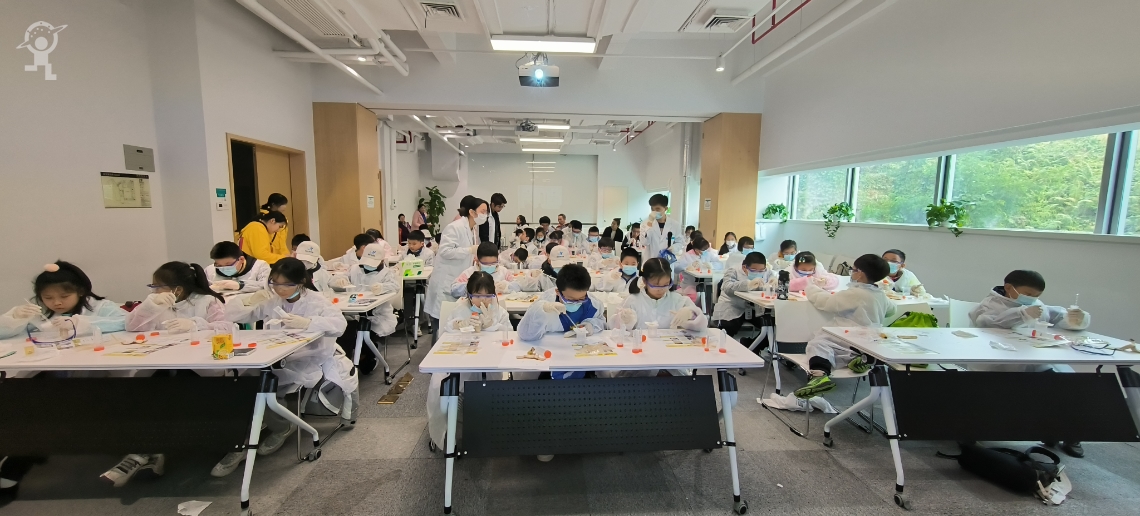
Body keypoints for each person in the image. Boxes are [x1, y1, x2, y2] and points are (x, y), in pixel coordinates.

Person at [214, 258, 354, 477]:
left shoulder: (315, 301)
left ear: (300, 282)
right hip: (271, 355)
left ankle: (280, 426)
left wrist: (309, 323)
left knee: (261, 388)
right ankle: (241, 441)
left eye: (285, 285)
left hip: (303, 359)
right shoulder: (272, 299)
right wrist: (249, 300)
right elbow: (233, 316)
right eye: (274, 283)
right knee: (239, 385)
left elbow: (339, 325)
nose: (279, 289)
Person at [109, 262, 229, 487]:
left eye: (157, 286)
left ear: (178, 289)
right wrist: (149, 307)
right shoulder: (155, 302)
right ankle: (150, 451)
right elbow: (132, 326)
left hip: (198, 368)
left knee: (171, 397)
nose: (154, 291)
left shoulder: (207, 301)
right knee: (146, 394)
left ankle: (149, 451)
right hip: (163, 363)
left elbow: (226, 328)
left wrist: (195, 324)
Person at [968, 269, 1091, 458]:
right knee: (1007, 391)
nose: (1032, 299)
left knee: (1066, 382)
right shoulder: (989, 305)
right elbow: (987, 323)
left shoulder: (1034, 305)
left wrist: (1075, 319)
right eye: (1028, 294)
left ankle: (1067, 433)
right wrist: (1021, 314)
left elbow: (1053, 316)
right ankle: (970, 431)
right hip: (998, 364)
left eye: (1037, 296)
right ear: (1009, 288)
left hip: (1031, 358)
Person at [426, 272, 512, 449]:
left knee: (488, 387)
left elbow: (509, 336)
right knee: (440, 385)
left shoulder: (499, 312)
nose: (482, 300)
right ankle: (444, 433)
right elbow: (444, 336)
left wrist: (492, 327)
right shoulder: (459, 310)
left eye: (487, 295)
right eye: (477, 295)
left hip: (490, 364)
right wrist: (458, 326)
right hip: (461, 364)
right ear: (469, 294)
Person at [794, 254, 896, 399]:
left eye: (853, 270)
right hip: (870, 340)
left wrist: (811, 288)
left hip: (849, 336)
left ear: (860, 274)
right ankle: (862, 359)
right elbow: (892, 310)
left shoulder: (855, 293)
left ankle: (819, 375)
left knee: (818, 344)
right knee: (845, 350)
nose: (851, 273)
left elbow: (827, 302)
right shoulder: (879, 294)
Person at [0, 261, 126, 339]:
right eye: (48, 298)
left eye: (64, 296)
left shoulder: (101, 307)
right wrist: (14, 318)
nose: (56, 302)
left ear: (81, 291)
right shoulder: (38, 312)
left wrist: (80, 324)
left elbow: (126, 322)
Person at [425, 195, 487, 336]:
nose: (485, 215)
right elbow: (445, 251)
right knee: (441, 326)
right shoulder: (455, 227)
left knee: (455, 324)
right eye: (483, 211)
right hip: (446, 281)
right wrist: (468, 250)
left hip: (458, 280)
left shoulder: (473, 229)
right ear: (472, 212)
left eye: (486, 212)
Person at [713, 251, 773, 338]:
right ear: (744, 267)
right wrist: (747, 284)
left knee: (771, 326)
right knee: (727, 328)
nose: (758, 273)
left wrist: (774, 284)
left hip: (754, 308)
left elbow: (771, 284)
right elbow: (727, 287)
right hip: (732, 306)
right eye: (754, 270)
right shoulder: (733, 270)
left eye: (761, 271)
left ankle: (750, 344)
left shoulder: (767, 271)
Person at [449, 242, 522, 298]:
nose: (490, 266)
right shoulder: (469, 273)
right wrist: (473, 287)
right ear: (477, 260)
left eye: (493, 263)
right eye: (486, 264)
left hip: (501, 307)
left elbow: (518, 285)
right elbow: (454, 290)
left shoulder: (503, 272)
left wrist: (506, 286)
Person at [206, 241, 270, 294]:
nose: (223, 268)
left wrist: (240, 285)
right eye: (219, 265)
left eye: (228, 264)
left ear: (241, 259)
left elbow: (267, 287)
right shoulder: (210, 270)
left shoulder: (260, 267)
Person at [643, 194, 682, 260]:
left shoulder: (675, 225)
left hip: (667, 261)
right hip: (650, 260)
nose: (654, 212)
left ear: (665, 209)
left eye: (657, 209)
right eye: (652, 209)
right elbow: (645, 242)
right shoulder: (645, 224)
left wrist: (673, 248)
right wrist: (649, 224)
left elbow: (679, 242)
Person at [259, 193, 290, 258]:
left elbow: (282, 241)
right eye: (282, 204)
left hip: (281, 253)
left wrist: (285, 254)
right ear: (273, 205)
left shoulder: (282, 219)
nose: (284, 206)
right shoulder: (262, 217)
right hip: (269, 254)